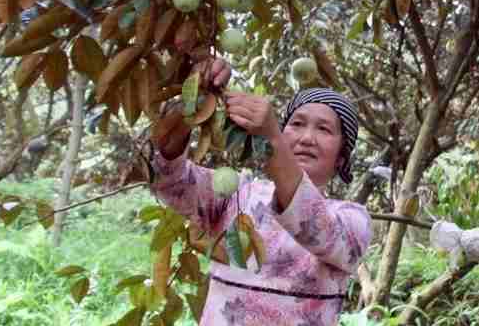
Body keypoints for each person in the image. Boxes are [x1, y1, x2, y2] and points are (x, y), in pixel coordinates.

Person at [149, 58, 372, 326]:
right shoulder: (238, 194)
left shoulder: (353, 221)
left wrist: (272, 139)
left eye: (323, 129)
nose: (306, 138)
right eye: (297, 124)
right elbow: (166, 178)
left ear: (341, 157)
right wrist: (195, 97)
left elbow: (315, 226)